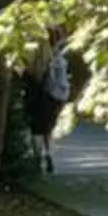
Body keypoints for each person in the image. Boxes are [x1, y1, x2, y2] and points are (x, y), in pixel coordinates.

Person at [22, 33, 71, 176]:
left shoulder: (32, 62)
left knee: (36, 131)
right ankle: (49, 154)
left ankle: (38, 161)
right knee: (47, 129)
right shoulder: (57, 58)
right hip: (53, 98)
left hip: (35, 98)